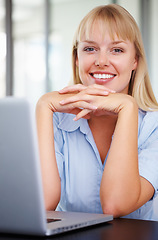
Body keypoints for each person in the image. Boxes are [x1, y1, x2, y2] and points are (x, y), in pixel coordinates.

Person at [36, 4, 158, 220]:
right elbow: (42, 203)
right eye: (90, 49)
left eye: (117, 50)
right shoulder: (58, 121)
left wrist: (127, 107)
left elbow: (115, 205)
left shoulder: (154, 126)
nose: (101, 61)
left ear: (135, 61)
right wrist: (43, 106)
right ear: (77, 58)